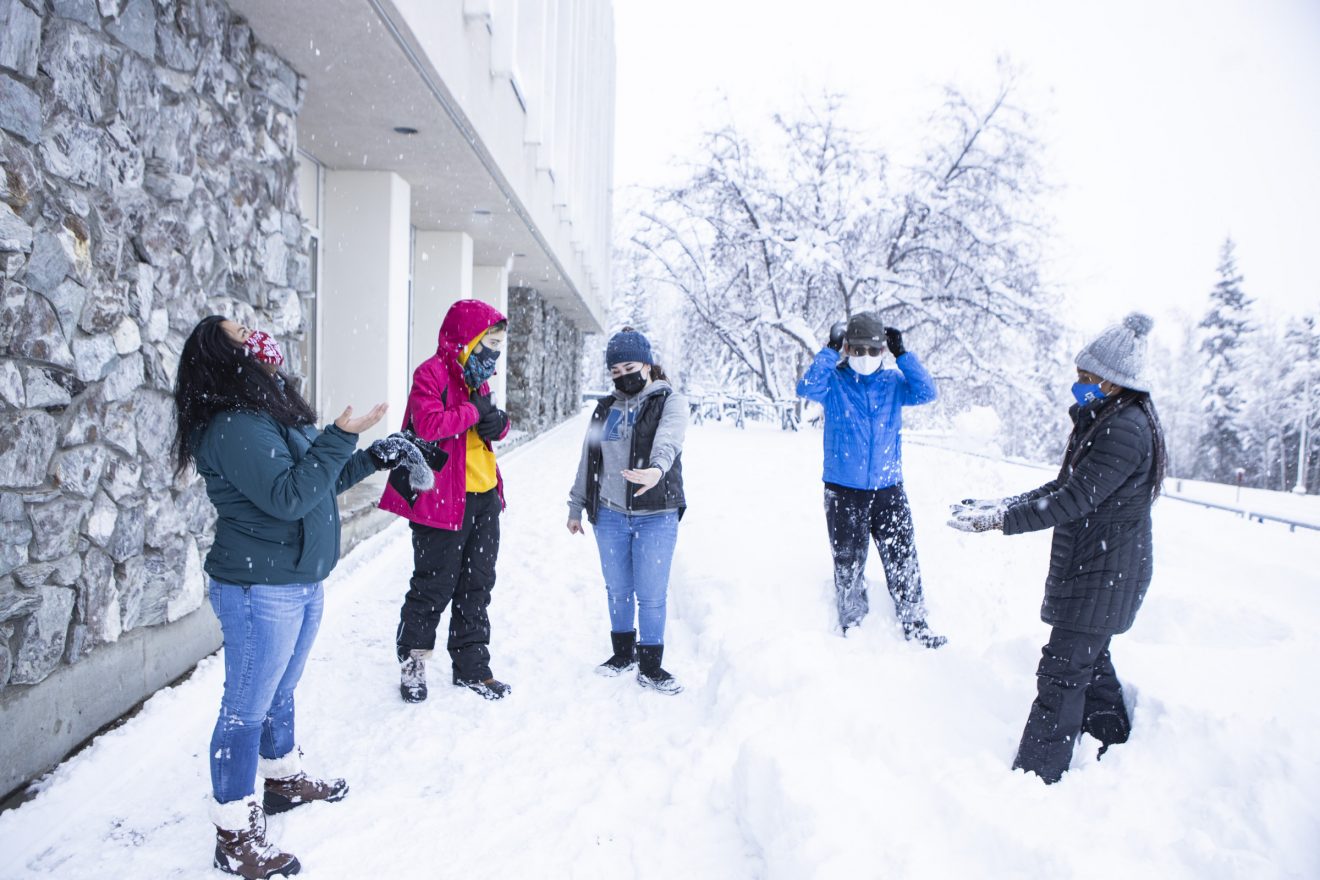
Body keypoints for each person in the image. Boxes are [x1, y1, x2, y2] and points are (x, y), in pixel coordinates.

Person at [175, 315, 432, 878]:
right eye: (241, 331)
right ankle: (233, 832)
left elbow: (320, 482)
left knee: (279, 688)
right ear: (223, 356)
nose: (256, 333)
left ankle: (282, 778)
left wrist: (371, 455)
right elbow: (291, 498)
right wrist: (338, 436)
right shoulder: (233, 425)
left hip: (294, 579)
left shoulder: (263, 416)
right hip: (258, 586)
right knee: (245, 707)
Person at [948, 312, 1167, 785]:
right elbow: (1067, 485)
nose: (1079, 386)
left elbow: (1072, 500)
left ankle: (1035, 777)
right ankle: (1115, 742)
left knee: (1061, 675)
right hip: (1104, 567)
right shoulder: (1111, 418)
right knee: (1090, 661)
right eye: (1079, 375)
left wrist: (1000, 520)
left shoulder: (1123, 430)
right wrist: (1003, 502)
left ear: (1115, 383)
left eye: (1088, 378)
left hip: (1104, 570)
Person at [381, 299, 514, 703]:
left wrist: (499, 422)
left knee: (477, 584)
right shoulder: (432, 373)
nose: (494, 354)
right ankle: (413, 666)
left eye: (499, 346)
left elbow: (484, 425)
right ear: (467, 340)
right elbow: (429, 425)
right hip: (440, 501)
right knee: (433, 586)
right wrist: (473, 412)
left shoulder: (480, 378)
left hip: (484, 495)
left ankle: (472, 667)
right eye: (489, 343)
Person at [796, 311, 945, 646]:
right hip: (843, 489)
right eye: (857, 350)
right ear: (847, 349)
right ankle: (852, 622)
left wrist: (903, 355)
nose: (865, 357)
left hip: (888, 488)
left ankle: (915, 621)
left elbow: (926, 392)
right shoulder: (834, 382)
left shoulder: (893, 383)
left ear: (883, 350)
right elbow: (805, 387)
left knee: (903, 555)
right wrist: (829, 350)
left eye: (874, 351)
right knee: (848, 559)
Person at [567, 328, 688, 695]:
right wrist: (576, 504)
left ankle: (651, 666)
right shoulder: (604, 409)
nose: (623, 376)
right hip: (610, 514)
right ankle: (623, 655)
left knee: (651, 594)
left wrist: (656, 469)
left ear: (648, 364)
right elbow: (589, 459)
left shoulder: (669, 401)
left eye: (629, 366)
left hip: (657, 513)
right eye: (615, 370)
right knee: (618, 589)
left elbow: (669, 438)